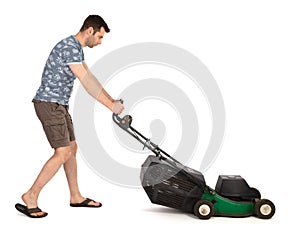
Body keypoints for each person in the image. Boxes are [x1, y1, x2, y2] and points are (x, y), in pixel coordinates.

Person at [15, 15, 124, 218]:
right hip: (49, 104)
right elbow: (86, 83)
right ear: (90, 31)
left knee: (72, 149)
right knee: (63, 152)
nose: (100, 42)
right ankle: (31, 195)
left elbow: (91, 77)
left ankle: (75, 196)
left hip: (59, 105)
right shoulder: (70, 47)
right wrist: (110, 107)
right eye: (100, 37)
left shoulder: (76, 48)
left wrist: (113, 100)